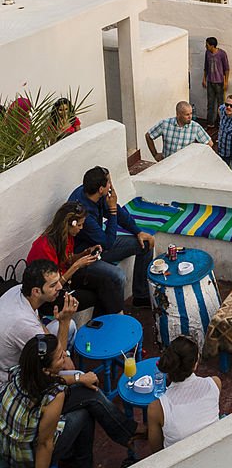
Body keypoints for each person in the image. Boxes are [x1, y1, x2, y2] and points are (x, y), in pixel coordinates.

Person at [0, 335, 138, 468]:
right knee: (84, 414)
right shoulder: (54, 395)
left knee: (88, 393)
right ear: (45, 369)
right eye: (60, 357)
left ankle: (128, 434)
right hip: (28, 458)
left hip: (11, 443)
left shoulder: (24, 371)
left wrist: (80, 378)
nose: (65, 357)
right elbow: (44, 444)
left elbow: (53, 378)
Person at [70, 166, 155, 309]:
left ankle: (141, 297)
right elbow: (108, 243)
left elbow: (120, 215)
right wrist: (113, 210)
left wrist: (137, 231)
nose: (111, 185)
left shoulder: (95, 193)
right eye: (109, 182)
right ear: (101, 189)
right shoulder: (83, 211)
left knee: (145, 243)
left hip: (101, 243)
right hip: (87, 256)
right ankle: (116, 314)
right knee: (118, 276)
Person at [27, 203, 123, 317]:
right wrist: (77, 266)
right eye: (80, 225)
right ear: (70, 224)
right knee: (98, 296)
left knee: (106, 282)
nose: (81, 228)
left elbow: (67, 259)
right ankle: (104, 326)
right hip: (49, 297)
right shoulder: (44, 247)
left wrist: (85, 253)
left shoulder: (66, 237)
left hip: (67, 280)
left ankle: (117, 318)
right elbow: (53, 286)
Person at [0, 260, 78, 387]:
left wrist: (66, 356)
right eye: (53, 285)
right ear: (36, 291)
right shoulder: (24, 324)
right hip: (13, 376)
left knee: (71, 327)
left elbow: (38, 323)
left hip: (29, 347)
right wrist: (64, 322)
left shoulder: (20, 290)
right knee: (78, 374)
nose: (59, 287)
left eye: (58, 281)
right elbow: (54, 364)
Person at [148, 336, 220, 451]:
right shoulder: (215, 383)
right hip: (214, 452)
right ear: (195, 364)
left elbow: (156, 452)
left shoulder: (156, 408)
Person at [146, 102, 212, 161]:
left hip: (185, 166)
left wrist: (196, 158)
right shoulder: (165, 124)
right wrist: (155, 155)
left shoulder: (195, 127)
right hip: (167, 164)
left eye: (191, 113)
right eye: (187, 115)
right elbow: (149, 136)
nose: (190, 117)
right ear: (178, 114)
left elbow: (209, 143)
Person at [202, 38, 230, 128]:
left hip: (220, 82)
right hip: (210, 81)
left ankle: (221, 123)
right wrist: (204, 78)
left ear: (212, 45)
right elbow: (206, 66)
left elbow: (226, 69)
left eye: (207, 45)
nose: (206, 46)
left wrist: (226, 82)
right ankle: (210, 122)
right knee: (210, 103)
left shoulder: (222, 54)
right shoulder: (207, 53)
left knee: (220, 104)